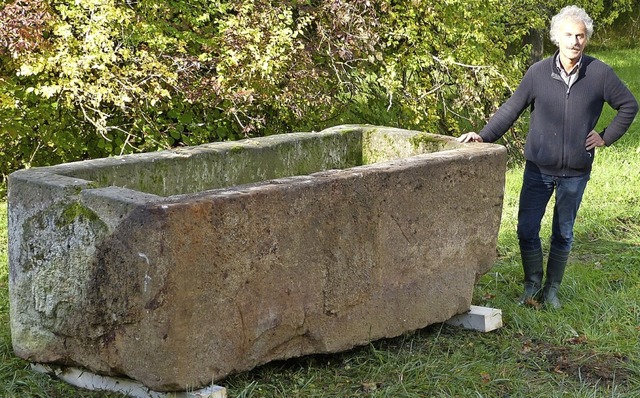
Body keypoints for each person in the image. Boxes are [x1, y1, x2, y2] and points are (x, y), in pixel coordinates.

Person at [458, 5, 638, 308]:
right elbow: (511, 108)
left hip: (576, 171)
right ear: (557, 37)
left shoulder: (599, 73)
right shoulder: (538, 72)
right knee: (526, 228)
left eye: (580, 36)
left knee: (563, 233)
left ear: (586, 39)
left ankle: (551, 290)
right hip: (538, 169)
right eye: (568, 34)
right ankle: (532, 285)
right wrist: (484, 135)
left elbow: (629, 105)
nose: (575, 41)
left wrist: (605, 136)